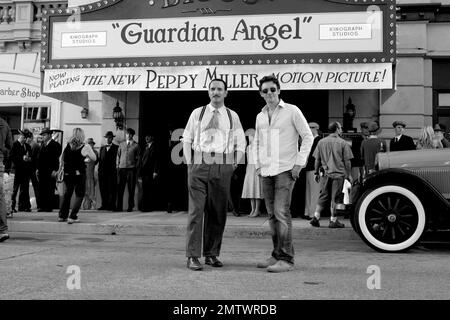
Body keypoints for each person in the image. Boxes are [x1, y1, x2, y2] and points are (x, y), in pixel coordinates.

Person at [182, 78, 246, 271]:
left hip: (222, 163)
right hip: (199, 163)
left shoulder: (231, 115)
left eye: (219, 89)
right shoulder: (197, 113)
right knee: (196, 212)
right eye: (212, 89)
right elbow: (186, 138)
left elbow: (241, 142)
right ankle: (193, 256)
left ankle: (211, 254)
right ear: (208, 92)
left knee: (218, 212)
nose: (216, 92)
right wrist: (189, 163)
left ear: (226, 93)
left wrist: (234, 163)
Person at [254, 74, 314, 273]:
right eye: (265, 91)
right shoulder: (260, 116)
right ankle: (276, 254)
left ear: (279, 90)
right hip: (266, 171)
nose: (269, 93)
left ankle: (287, 259)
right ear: (261, 94)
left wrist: (299, 164)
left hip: (286, 170)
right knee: (271, 215)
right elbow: (257, 143)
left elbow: (308, 137)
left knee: (281, 213)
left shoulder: (292, 111)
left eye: (272, 89)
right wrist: (257, 165)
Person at [310, 121, 353, 229]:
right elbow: (347, 161)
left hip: (325, 174)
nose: (341, 130)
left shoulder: (321, 142)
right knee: (335, 198)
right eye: (340, 128)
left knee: (323, 196)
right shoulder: (343, 143)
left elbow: (317, 160)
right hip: (338, 175)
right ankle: (333, 220)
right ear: (337, 129)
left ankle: (316, 217)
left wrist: (316, 172)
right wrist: (349, 174)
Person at [58, 128, 97, 223]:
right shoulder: (85, 146)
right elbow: (94, 158)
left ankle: (62, 216)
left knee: (68, 194)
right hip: (78, 174)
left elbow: (61, 159)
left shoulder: (67, 145)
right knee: (80, 195)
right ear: (82, 135)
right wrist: (85, 159)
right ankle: (72, 216)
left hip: (67, 174)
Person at [36, 128, 62, 212]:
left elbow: (55, 158)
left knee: (50, 188)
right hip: (42, 170)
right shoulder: (42, 145)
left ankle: (48, 207)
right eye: (42, 135)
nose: (43, 137)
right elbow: (39, 158)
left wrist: (55, 170)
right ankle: (41, 206)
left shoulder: (56, 145)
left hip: (50, 170)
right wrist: (37, 169)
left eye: (44, 135)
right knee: (42, 188)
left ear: (50, 135)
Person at [116, 128, 141, 212]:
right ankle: (119, 206)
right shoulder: (121, 144)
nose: (128, 135)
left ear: (132, 135)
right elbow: (118, 156)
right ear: (125, 135)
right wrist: (117, 166)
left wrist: (136, 168)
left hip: (131, 169)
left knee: (131, 188)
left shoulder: (136, 145)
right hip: (122, 169)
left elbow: (138, 158)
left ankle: (130, 206)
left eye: (130, 134)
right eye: (127, 134)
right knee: (120, 188)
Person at [10, 129, 33, 213]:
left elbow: (31, 157)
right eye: (26, 138)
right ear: (23, 137)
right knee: (14, 190)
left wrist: (29, 159)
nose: (28, 140)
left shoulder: (27, 146)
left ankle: (24, 206)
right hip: (16, 171)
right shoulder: (14, 145)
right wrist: (22, 158)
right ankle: (11, 207)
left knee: (25, 189)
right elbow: (12, 157)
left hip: (25, 171)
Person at [241, 130, 263, 218]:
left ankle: (257, 210)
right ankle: (252, 209)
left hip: (256, 168)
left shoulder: (258, 147)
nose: (249, 138)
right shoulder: (248, 147)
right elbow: (248, 159)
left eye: (251, 136)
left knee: (257, 190)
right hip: (250, 169)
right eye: (249, 136)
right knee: (251, 190)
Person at [303, 122, 321, 220]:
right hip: (308, 167)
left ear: (316, 128)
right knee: (309, 192)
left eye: (311, 127)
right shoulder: (310, 140)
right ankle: (308, 212)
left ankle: (313, 213)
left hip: (315, 168)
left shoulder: (319, 140)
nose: (309, 129)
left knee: (315, 192)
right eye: (308, 127)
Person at [138, 134, 159, 212]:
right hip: (144, 172)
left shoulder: (155, 147)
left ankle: (148, 207)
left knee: (149, 189)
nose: (146, 138)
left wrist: (155, 171)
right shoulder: (145, 147)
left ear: (152, 138)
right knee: (144, 189)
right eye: (146, 137)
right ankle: (144, 206)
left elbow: (156, 160)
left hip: (150, 172)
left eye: (148, 137)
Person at [98, 131, 119, 211]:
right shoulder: (102, 148)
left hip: (112, 172)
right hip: (102, 172)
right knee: (103, 189)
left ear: (112, 138)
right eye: (107, 137)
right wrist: (99, 171)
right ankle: (104, 205)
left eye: (109, 138)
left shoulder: (116, 147)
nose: (108, 139)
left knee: (112, 189)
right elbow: (100, 160)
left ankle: (112, 205)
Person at [0, 115, 13, 242]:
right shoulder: (4, 124)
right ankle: (2, 230)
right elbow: (10, 145)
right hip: (0, 162)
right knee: (0, 197)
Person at [82, 138, 99, 210]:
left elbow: (96, 162)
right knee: (85, 190)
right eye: (89, 144)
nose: (90, 145)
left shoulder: (95, 152)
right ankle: (85, 205)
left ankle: (92, 204)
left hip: (91, 174)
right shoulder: (83, 152)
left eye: (91, 144)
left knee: (92, 190)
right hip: (84, 174)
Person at [29, 135, 42, 211]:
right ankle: (39, 205)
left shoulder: (34, 145)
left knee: (36, 188)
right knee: (36, 188)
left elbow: (33, 158)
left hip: (33, 169)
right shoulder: (35, 145)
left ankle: (39, 205)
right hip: (34, 169)